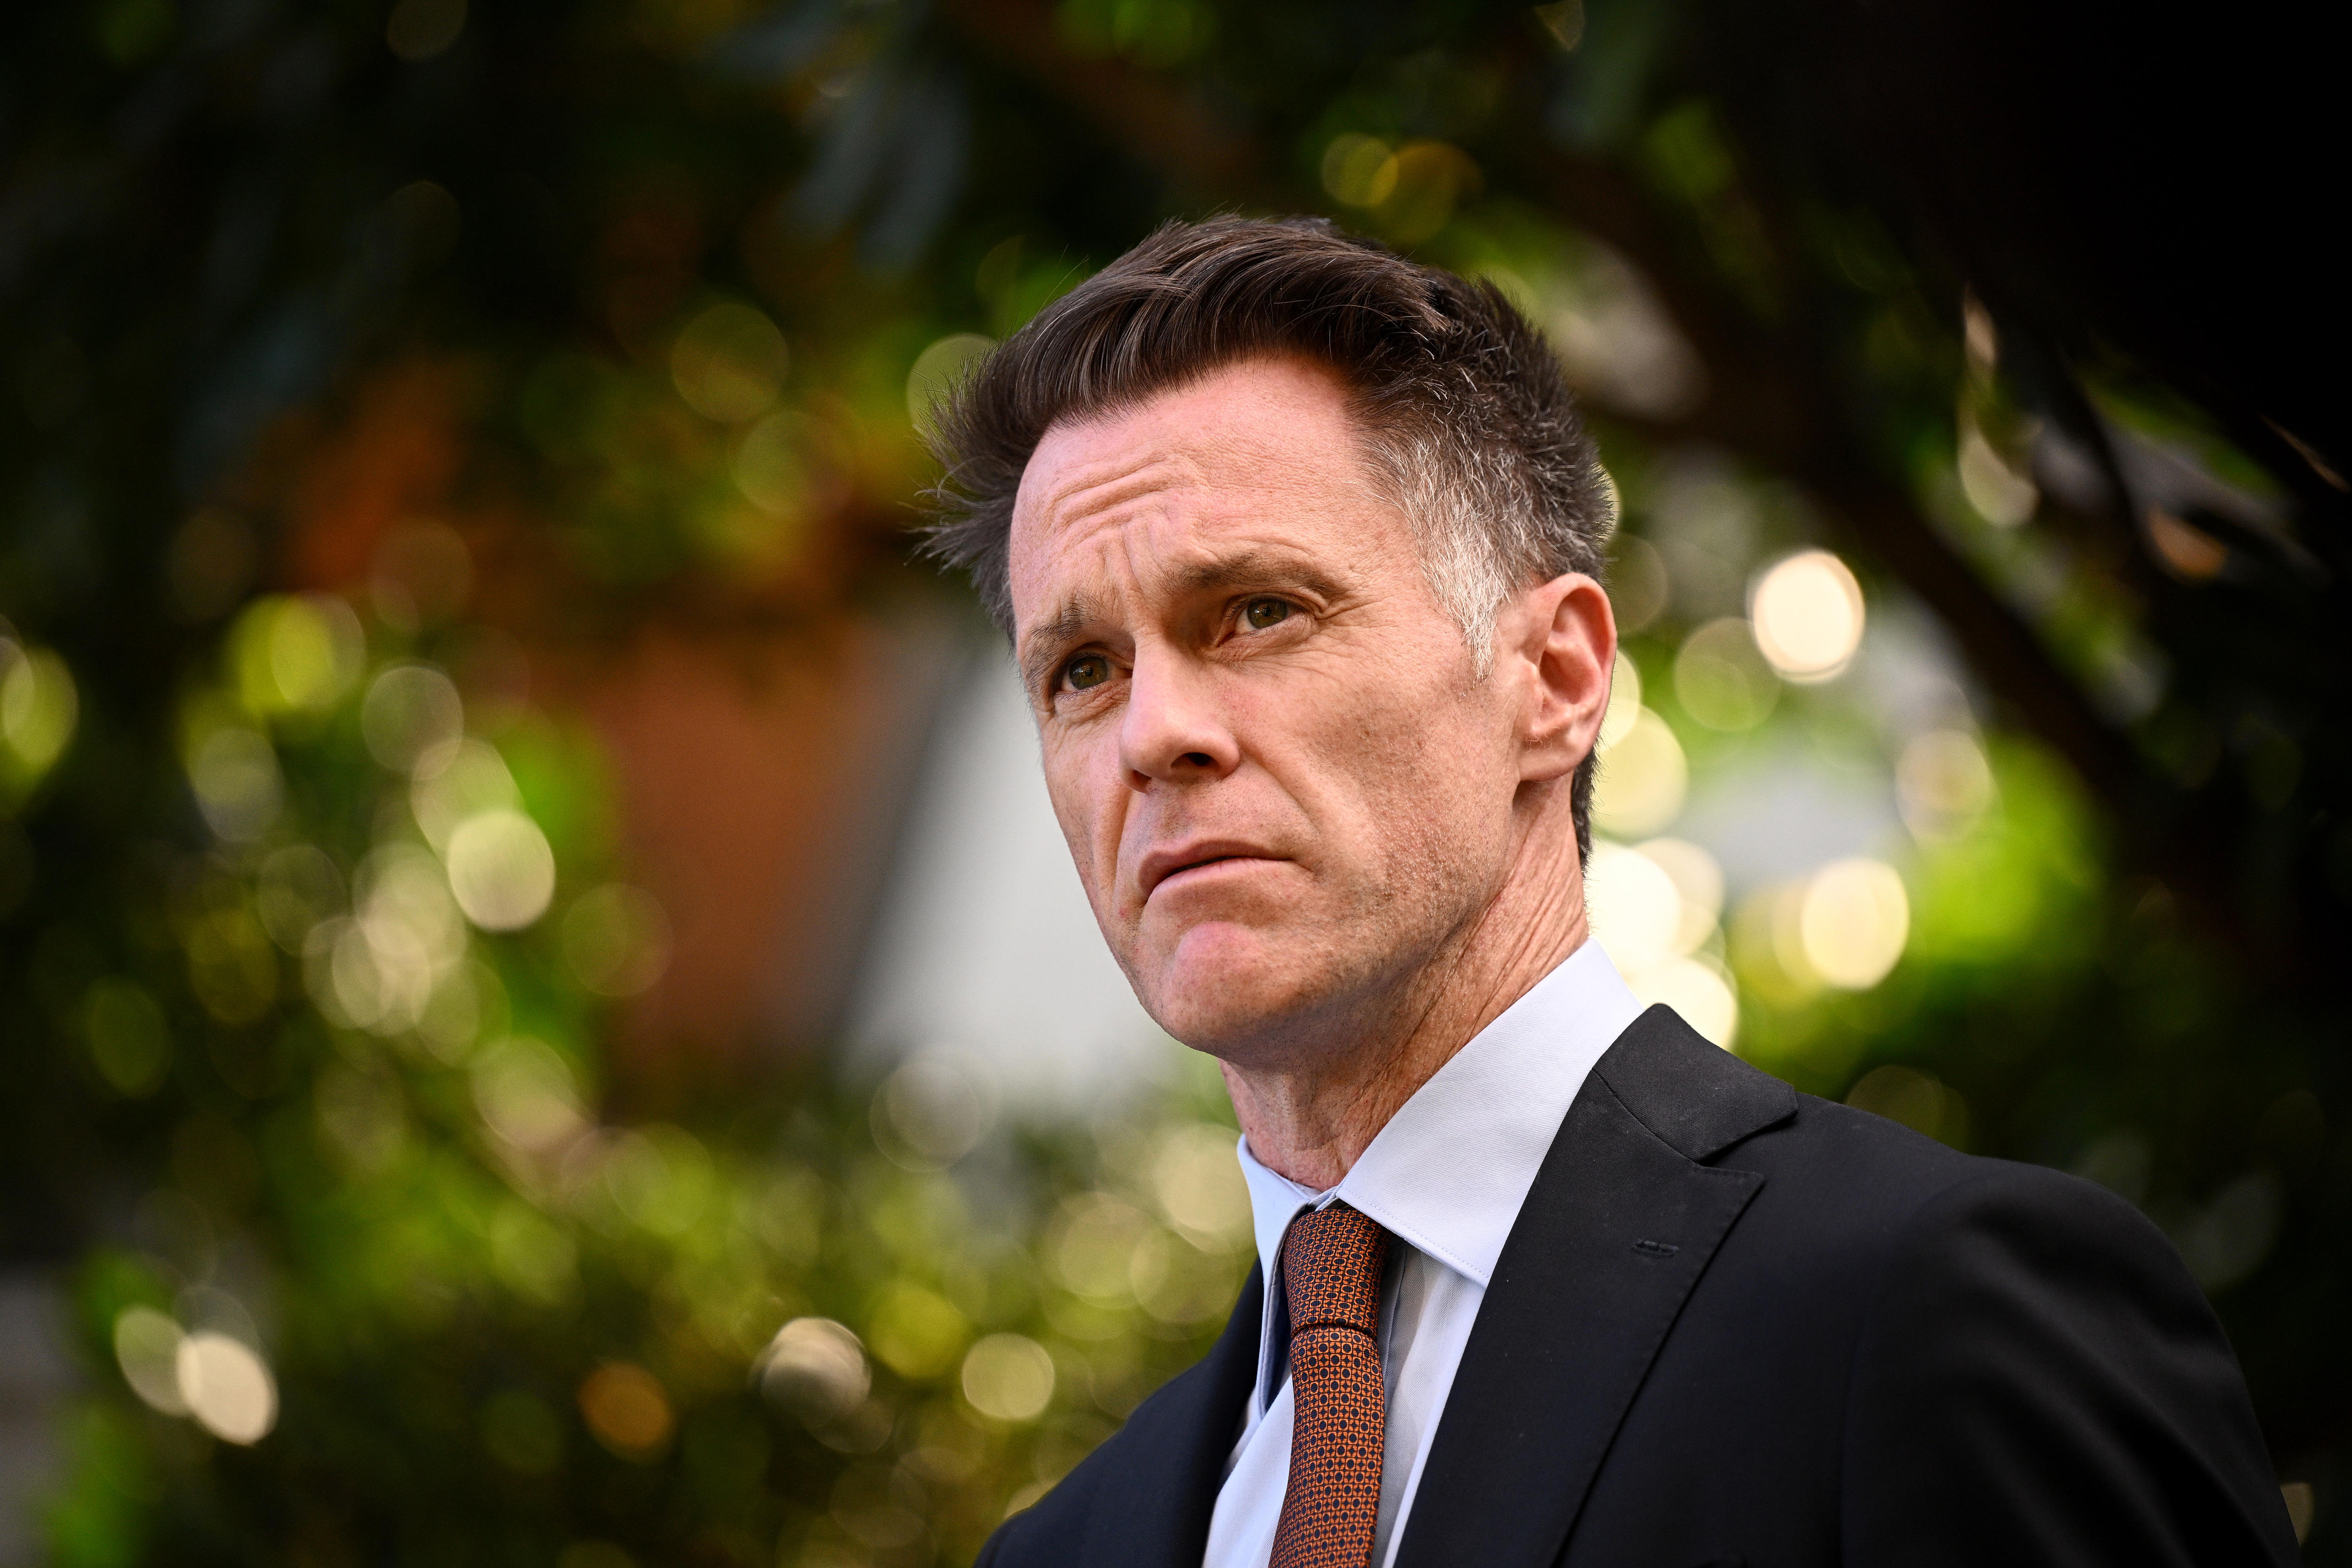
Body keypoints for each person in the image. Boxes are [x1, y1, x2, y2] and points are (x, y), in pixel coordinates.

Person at [926, 217, 2297, 1568]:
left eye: (1258, 611)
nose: (1155, 732)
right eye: (1082, 670)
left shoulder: (1936, 1308)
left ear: (1558, 678)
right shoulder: (1067, 1547)